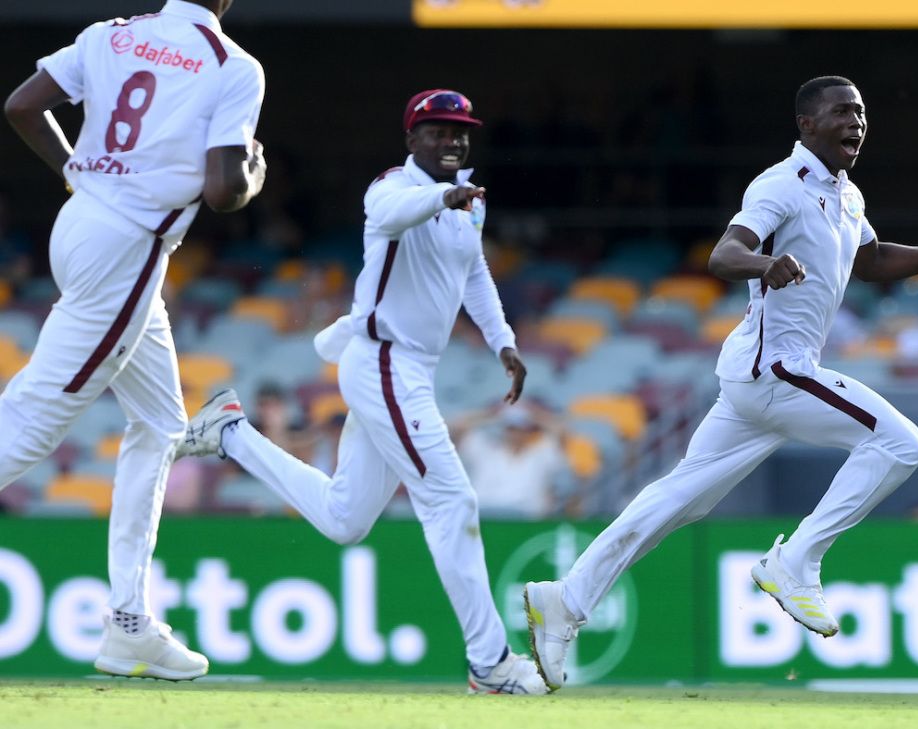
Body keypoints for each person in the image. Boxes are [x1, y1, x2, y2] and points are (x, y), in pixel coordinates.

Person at [523, 75, 918, 691]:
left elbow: (874, 261)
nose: (856, 122)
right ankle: (795, 562)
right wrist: (765, 263)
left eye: (861, 112)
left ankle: (566, 599)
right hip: (778, 369)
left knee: (679, 499)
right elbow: (724, 255)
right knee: (899, 443)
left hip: (754, 379)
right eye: (842, 112)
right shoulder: (780, 185)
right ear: (807, 124)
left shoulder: (847, 194)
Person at [175, 89, 547, 694]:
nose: (452, 140)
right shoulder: (391, 187)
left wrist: (502, 340)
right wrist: (445, 197)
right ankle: (490, 664)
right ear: (411, 140)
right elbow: (393, 216)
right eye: (437, 130)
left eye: (459, 131)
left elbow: (474, 271)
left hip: (407, 369)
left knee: (344, 519)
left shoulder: (467, 200)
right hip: (384, 363)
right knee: (452, 502)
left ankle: (232, 434)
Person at [1, 0, 265, 680]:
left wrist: (72, 170)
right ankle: (127, 624)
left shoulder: (112, 34)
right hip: (129, 247)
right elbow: (224, 190)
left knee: (161, 423)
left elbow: (22, 106)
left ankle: (129, 624)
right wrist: (254, 175)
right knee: (31, 421)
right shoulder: (232, 64)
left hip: (82, 221)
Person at [451, 402, 572, 519]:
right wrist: (492, 413)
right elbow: (458, 425)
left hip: (527, 519)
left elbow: (561, 431)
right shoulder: (485, 451)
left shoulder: (541, 455)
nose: (515, 433)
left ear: (528, 431)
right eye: (511, 428)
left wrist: (532, 413)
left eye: (520, 429)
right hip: (485, 515)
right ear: (504, 430)